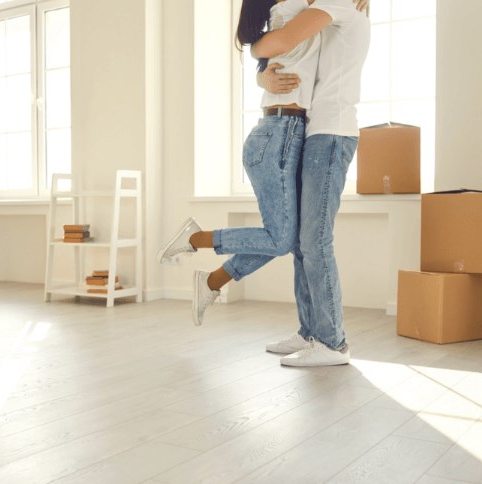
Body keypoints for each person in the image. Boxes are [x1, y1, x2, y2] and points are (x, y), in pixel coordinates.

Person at [157, 0, 323, 326]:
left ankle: (212, 281)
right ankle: (196, 241)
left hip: (283, 136)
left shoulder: (291, 15)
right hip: (278, 136)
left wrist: (260, 66)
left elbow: (269, 48)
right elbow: (279, 42)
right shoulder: (291, 13)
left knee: (283, 237)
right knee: (281, 239)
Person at [252, 0, 370, 367]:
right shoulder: (329, 8)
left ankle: (333, 344)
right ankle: (309, 332)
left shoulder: (335, 3)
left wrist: (250, 45)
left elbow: (283, 39)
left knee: (315, 240)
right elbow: (294, 54)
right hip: (317, 129)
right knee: (304, 242)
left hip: (332, 133)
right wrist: (262, 76)